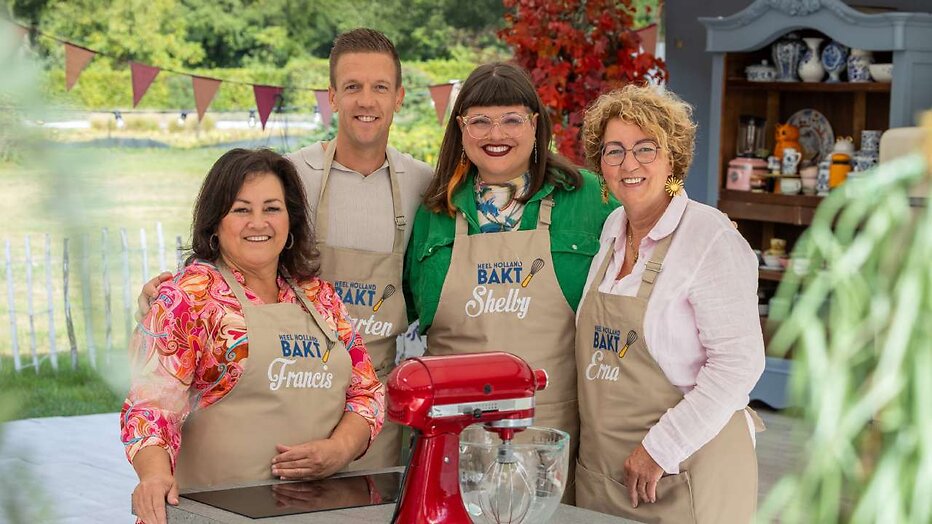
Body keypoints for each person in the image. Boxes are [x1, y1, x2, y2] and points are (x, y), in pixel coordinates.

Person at [138, 28, 433, 470]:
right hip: (272, 407)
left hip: (366, 411)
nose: (366, 101)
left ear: (400, 97)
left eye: (380, 87)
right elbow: (230, 247)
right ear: (332, 96)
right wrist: (161, 300)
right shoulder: (291, 171)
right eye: (352, 87)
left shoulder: (424, 185)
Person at [121, 149, 384, 524]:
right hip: (210, 513)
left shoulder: (320, 297)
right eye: (241, 210)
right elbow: (149, 407)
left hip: (316, 512)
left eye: (272, 208)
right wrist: (154, 475)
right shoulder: (186, 298)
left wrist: (340, 448)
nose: (257, 223)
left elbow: (367, 393)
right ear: (215, 223)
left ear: (290, 220)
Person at [404, 62, 617, 500]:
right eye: (479, 121)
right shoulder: (433, 210)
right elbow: (408, 304)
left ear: (535, 124)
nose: (494, 134)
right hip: (452, 436)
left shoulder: (590, 198)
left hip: (550, 439)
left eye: (511, 120)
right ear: (461, 129)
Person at [573, 84, 765, 523]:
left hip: (686, 471)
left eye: (646, 148)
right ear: (601, 165)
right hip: (610, 476)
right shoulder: (611, 232)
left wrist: (662, 448)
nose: (629, 164)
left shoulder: (710, 236)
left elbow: (739, 364)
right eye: (614, 151)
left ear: (672, 157)